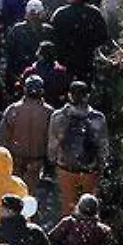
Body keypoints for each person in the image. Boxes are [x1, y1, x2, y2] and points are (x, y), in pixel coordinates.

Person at [47, 83, 110, 216]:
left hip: (65, 167)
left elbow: (53, 143)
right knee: (89, 205)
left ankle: (68, 231)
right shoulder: (98, 118)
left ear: (69, 95)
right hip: (89, 169)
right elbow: (103, 144)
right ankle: (88, 231)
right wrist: (102, 165)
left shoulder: (58, 116)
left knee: (68, 204)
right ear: (87, 96)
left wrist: (52, 160)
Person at [0, 77, 52, 185]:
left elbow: (3, 136)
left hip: (16, 157)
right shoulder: (48, 112)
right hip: (36, 159)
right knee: (28, 192)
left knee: (15, 189)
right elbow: (52, 138)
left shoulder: (13, 109)